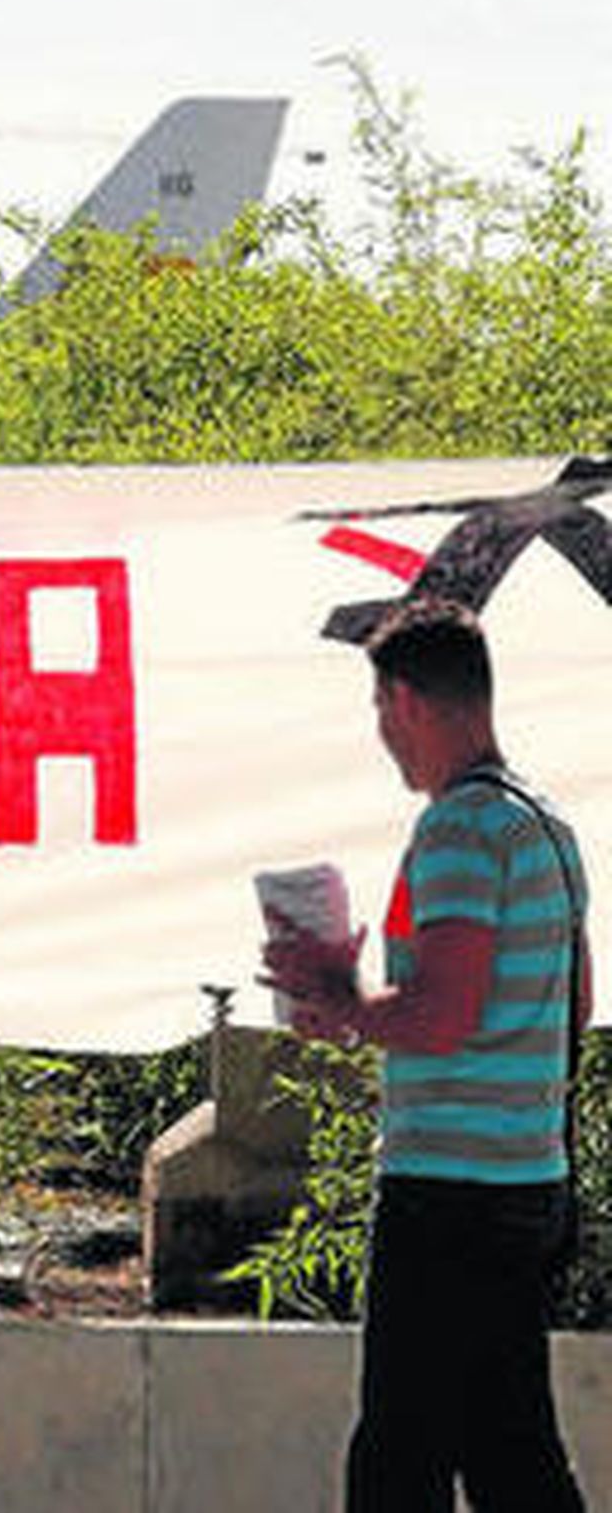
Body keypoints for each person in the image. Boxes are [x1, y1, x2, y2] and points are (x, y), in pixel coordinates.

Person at [264, 597, 589, 1512]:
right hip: (529, 1184)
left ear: (404, 699)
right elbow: (575, 1001)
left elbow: (444, 1014)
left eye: (379, 713)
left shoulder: (457, 830)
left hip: (446, 1193)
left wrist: (341, 1002)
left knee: (399, 1457)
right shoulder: (546, 829)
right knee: (509, 1450)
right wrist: (360, 1001)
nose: (382, 737)